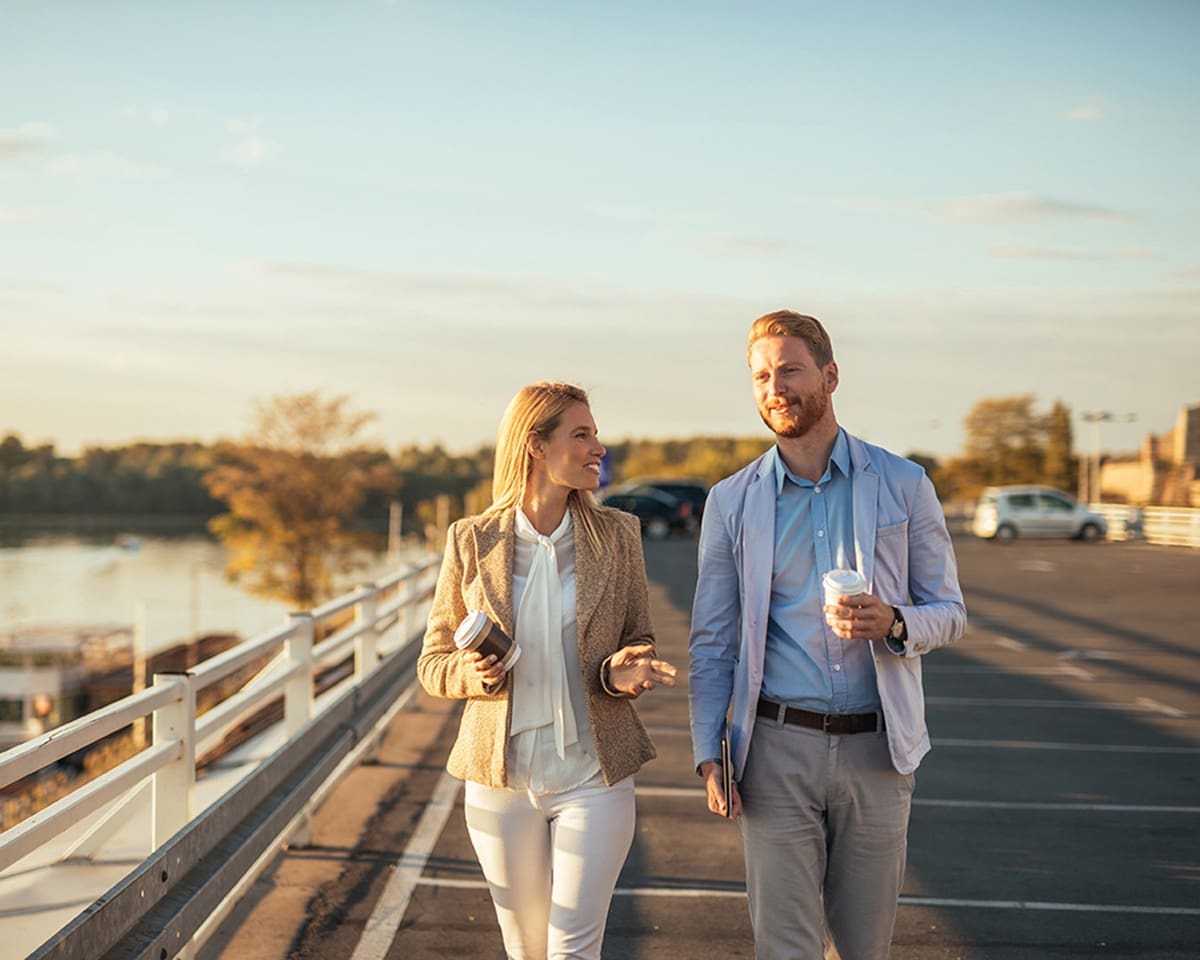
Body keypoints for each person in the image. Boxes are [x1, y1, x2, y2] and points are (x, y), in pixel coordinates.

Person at [688, 311, 967, 960]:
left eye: (789, 369)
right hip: (774, 752)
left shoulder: (902, 483)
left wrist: (894, 622)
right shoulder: (732, 502)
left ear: (830, 375)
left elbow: (949, 610)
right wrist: (709, 750)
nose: (774, 387)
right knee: (783, 947)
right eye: (760, 376)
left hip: (878, 750)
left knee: (863, 949)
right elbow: (711, 642)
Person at [419, 380, 677, 960]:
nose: (598, 447)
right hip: (498, 783)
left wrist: (620, 673)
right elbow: (433, 663)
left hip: (594, 776)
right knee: (525, 950)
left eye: (595, 433)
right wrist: (475, 674)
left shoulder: (617, 535)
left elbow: (638, 636)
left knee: (571, 949)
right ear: (536, 444)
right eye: (581, 434)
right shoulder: (472, 540)